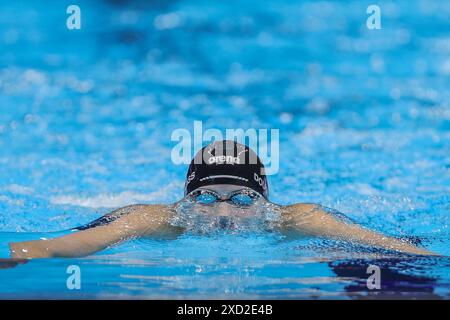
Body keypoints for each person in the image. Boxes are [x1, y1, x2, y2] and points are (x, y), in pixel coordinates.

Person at [8, 140, 435, 259]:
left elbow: (385, 244)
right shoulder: (156, 220)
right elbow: (60, 246)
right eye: (208, 198)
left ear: (265, 203)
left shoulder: (296, 219)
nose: (225, 215)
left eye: (244, 200)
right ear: (187, 201)